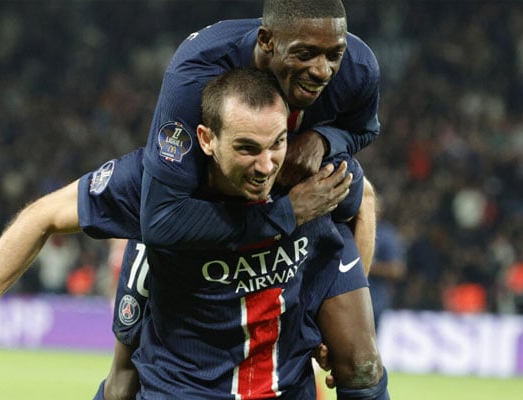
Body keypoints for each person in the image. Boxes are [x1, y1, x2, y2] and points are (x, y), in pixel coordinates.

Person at [0, 68, 355, 392]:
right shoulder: (153, 185)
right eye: (247, 148)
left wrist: (335, 322)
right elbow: (41, 216)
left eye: (277, 144)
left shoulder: (307, 172)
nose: (267, 165)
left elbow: (364, 203)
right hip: (177, 381)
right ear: (207, 140)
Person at [136, 0, 385, 397]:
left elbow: (364, 129)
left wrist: (323, 140)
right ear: (267, 41)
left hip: (311, 224)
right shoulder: (196, 74)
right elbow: (160, 220)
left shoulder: (357, 66)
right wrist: (287, 211)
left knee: (363, 367)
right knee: (125, 379)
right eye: (305, 53)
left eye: (332, 55)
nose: (323, 70)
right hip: (215, 229)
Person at [367, 195, 406, 331]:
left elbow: (397, 270)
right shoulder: (350, 228)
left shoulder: (386, 234)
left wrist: (368, 266)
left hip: (375, 300)